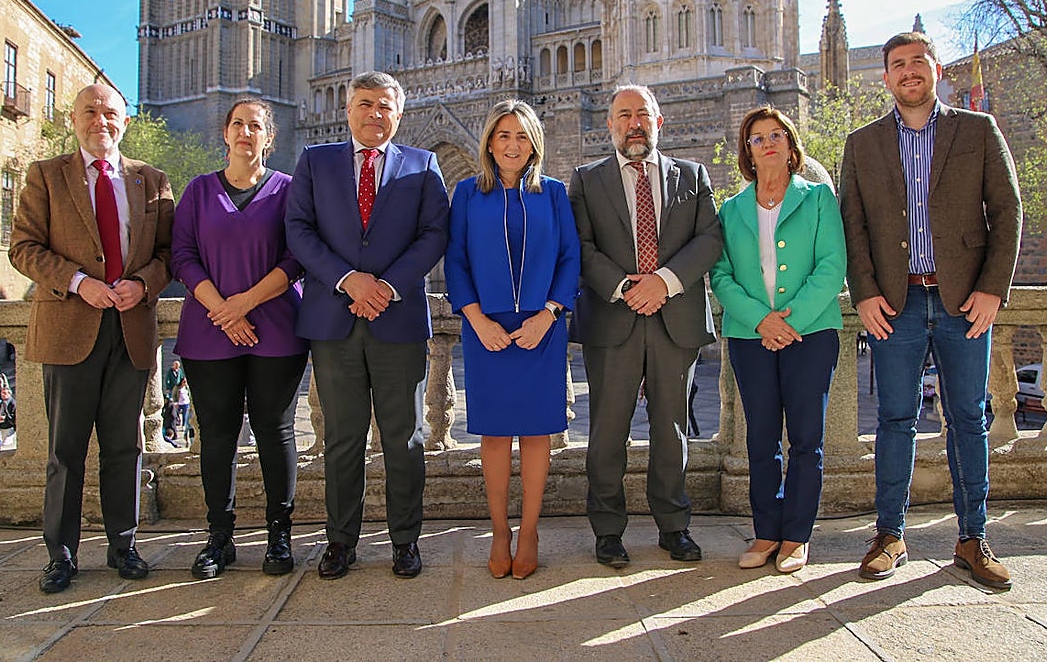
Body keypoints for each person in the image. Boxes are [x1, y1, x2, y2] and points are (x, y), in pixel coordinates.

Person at [840, 31, 1022, 590]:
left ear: (936, 70)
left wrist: (993, 289)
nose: (908, 72)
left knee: (969, 418)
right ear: (887, 77)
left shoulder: (977, 129)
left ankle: (972, 539)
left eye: (918, 62)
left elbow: (1008, 210)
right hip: (894, 303)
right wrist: (865, 292)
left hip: (963, 300)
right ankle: (889, 535)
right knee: (896, 419)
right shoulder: (862, 142)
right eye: (897, 64)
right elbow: (855, 225)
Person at [9, 83, 174, 594]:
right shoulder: (45, 176)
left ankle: (123, 546)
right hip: (68, 327)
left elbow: (172, 254)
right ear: (73, 119)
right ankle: (60, 555)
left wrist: (142, 283)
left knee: (126, 446)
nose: (100, 120)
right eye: (90, 112)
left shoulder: (152, 180)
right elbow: (23, 249)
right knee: (66, 451)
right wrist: (81, 283)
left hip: (131, 329)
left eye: (110, 112)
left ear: (124, 122)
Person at [286, 71, 449, 581]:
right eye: (365, 104)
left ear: (398, 114)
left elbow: (434, 234)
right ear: (348, 108)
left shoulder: (423, 166)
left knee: (405, 437)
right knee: (341, 439)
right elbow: (298, 229)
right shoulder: (315, 161)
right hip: (333, 320)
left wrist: (386, 286)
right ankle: (340, 541)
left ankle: (405, 540)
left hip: (397, 319)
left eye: (385, 106)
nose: (374, 113)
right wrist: (349, 280)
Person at [569, 84, 722, 567]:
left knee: (671, 429)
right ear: (610, 125)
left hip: (674, 319)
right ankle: (608, 531)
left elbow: (710, 238)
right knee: (607, 432)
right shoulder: (587, 179)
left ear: (660, 122)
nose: (633, 123)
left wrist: (665, 283)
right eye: (623, 115)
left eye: (642, 114)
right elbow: (582, 248)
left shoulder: (692, 176)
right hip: (613, 320)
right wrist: (626, 288)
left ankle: (674, 527)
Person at [171, 99, 310, 579]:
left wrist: (244, 304)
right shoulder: (198, 191)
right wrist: (223, 310)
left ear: (268, 137)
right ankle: (219, 538)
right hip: (209, 332)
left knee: (276, 433)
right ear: (225, 134)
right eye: (238, 124)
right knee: (217, 436)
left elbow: (297, 258)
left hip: (276, 330)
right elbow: (183, 257)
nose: (246, 132)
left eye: (256, 126)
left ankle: (279, 536)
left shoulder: (290, 191)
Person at [444, 100, 580, 580]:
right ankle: (500, 530)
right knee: (496, 434)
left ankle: (529, 530)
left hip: (541, 327)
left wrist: (549, 314)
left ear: (534, 143)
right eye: (503, 135)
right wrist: (477, 320)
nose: (512, 145)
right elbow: (455, 261)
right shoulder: (466, 194)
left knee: (537, 432)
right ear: (489, 142)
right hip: (487, 329)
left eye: (522, 136)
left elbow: (569, 259)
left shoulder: (555, 194)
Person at [709, 107, 846, 573]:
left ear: (790, 145)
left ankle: (797, 537)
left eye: (775, 136)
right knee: (761, 439)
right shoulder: (731, 210)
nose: (767, 143)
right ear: (746, 151)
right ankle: (766, 530)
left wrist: (790, 322)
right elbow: (721, 276)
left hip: (811, 334)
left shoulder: (819, 198)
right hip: (751, 337)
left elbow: (832, 267)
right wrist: (761, 321)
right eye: (756, 138)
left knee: (806, 439)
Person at [0, 383, 17, 448]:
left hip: (9, 427)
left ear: (9, 394)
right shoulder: (1, 403)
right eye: (2, 393)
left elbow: (13, 417)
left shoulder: (12, 404)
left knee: (6, 445)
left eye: (5, 393)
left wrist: (5, 418)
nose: (2, 395)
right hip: (1, 425)